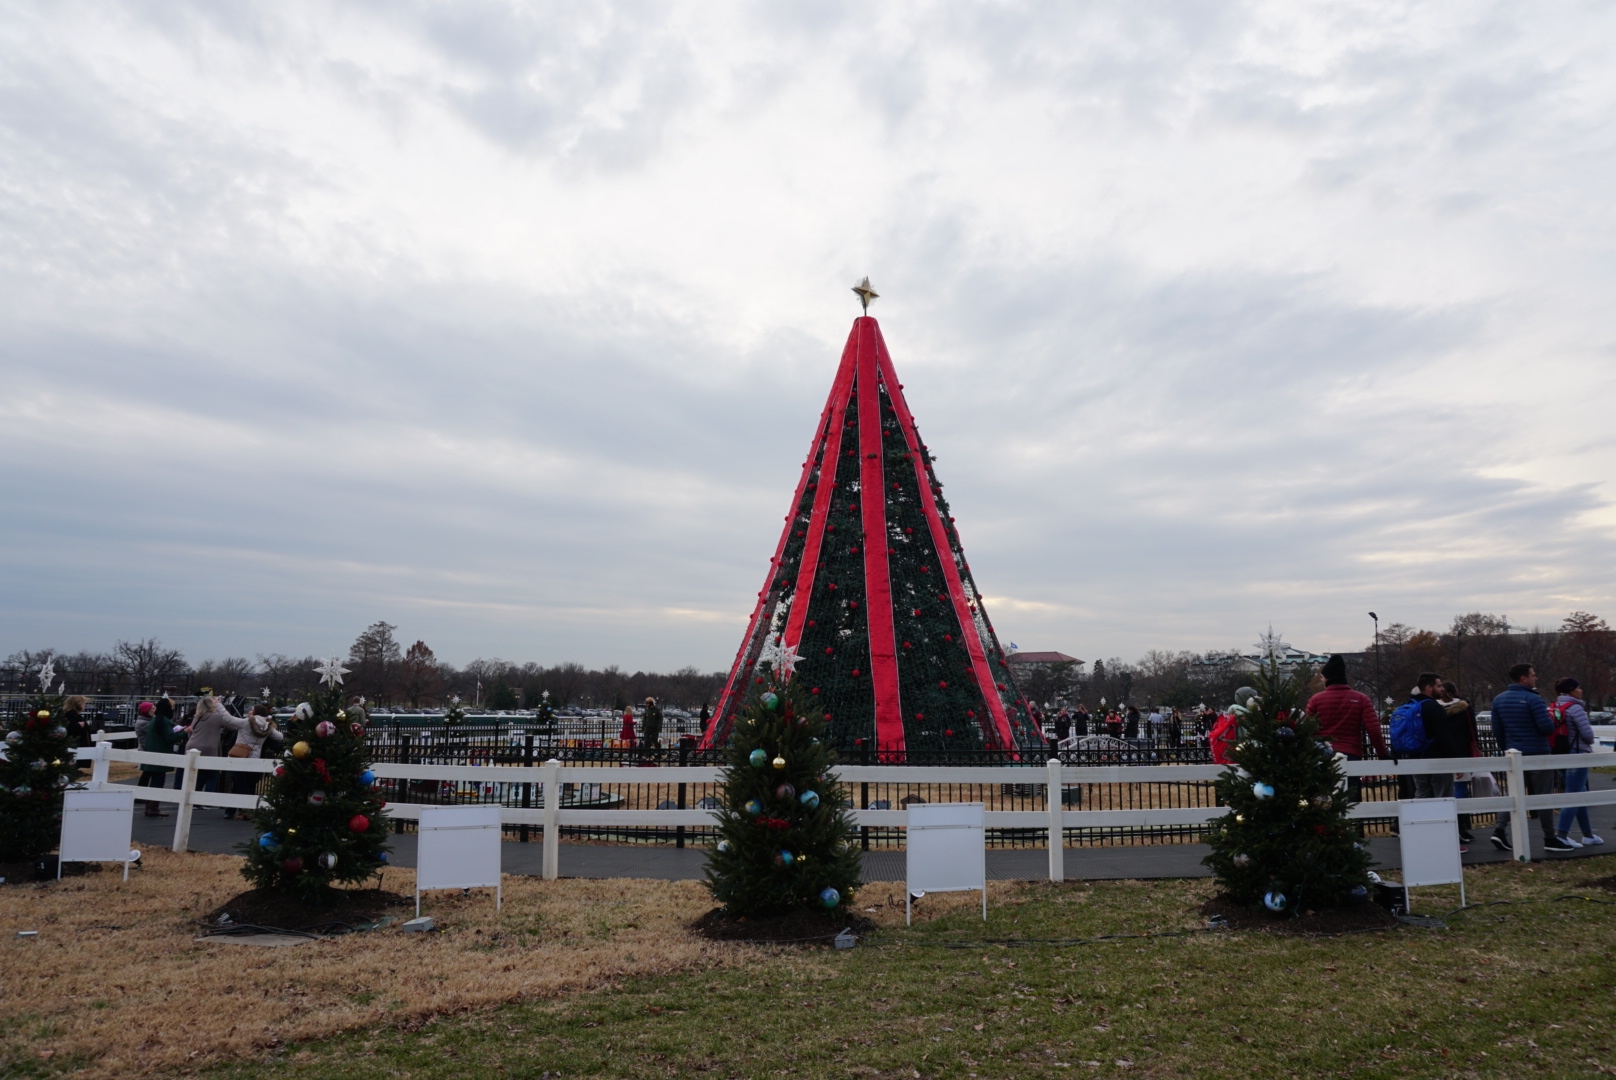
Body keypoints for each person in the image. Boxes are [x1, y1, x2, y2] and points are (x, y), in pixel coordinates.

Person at [1490, 664, 1575, 852]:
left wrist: (1507, 748)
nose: (1535, 678)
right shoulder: (1533, 699)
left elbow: (1497, 730)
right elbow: (1546, 727)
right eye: (1533, 675)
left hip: (1514, 754)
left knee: (1513, 795)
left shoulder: (1498, 700)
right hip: (1537, 753)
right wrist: (1554, 720)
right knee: (1543, 797)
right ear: (1524, 678)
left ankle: (1499, 830)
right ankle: (1550, 838)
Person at [1553, 678, 1603, 847]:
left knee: (1579, 793)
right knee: (1573, 796)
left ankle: (1588, 835)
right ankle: (1562, 834)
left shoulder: (1556, 707)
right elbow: (1588, 735)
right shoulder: (1575, 708)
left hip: (1560, 754)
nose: (1581, 690)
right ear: (1570, 691)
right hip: (1577, 754)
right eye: (1578, 687)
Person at [1404, 672, 1464, 801]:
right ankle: (1442, 821)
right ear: (1428, 688)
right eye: (1439, 686)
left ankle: (1422, 821)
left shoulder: (1409, 705)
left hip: (1415, 757)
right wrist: (1454, 761)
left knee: (1422, 795)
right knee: (1443, 797)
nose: (1442, 689)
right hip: (1437, 759)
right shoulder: (1434, 707)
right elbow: (1443, 736)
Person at [1438, 680, 1482, 842]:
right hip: (1460, 751)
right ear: (1455, 691)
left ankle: (1447, 824)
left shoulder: (1433, 708)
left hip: (1440, 752)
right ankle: (1462, 825)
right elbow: (1472, 731)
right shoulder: (1465, 708)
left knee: (1442, 789)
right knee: (1461, 789)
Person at [221, 704, 279, 820]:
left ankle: (241, 810)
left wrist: (218, 704)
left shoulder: (245, 723)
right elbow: (278, 739)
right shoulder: (267, 727)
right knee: (248, 784)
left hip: (241, 756)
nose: (250, 711)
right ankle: (241, 810)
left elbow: (228, 719)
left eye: (252, 710)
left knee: (239, 784)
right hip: (257, 759)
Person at [137, 700, 182, 816]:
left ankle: (150, 806)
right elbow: (170, 738)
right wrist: (184, 732)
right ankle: (153, 807)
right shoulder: (163, 721)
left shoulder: (155, 720)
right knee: (158, 782)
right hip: (160, 755)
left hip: (152, 754)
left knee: (153, 781)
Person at [183, 694, 230, 795]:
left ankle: (195, 799)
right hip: (209, 748)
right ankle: (208, 800)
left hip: (192, 746)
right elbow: (231, 724)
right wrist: (221, 707)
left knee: (198, 775)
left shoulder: (197, 717)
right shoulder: (217, 717)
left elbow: (191, 731)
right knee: (212, 775)